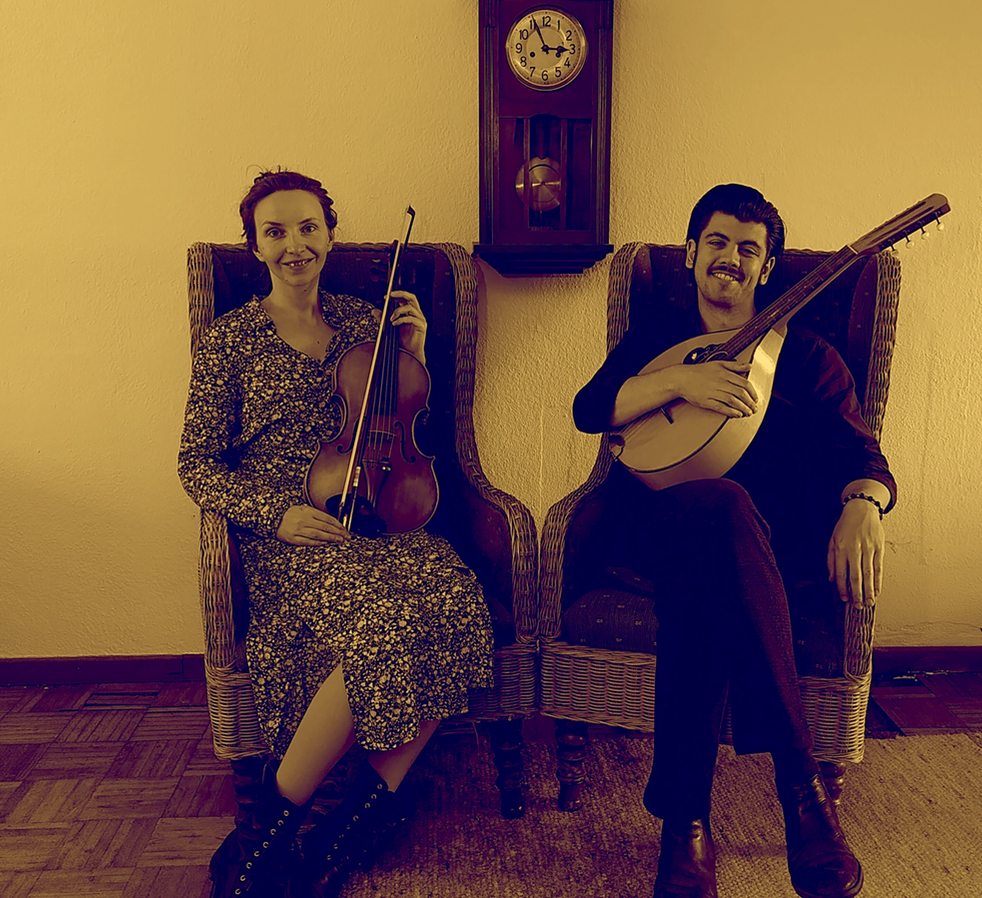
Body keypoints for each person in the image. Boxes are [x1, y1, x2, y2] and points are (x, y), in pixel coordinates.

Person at [572, 183, 894, 898]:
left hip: (770, 556)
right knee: (717, 507)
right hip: (656, 535)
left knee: (711, 577)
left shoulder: (809, 358)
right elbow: (591, 408)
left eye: (749, 249)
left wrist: (864, 505)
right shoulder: (658, 338)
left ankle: (684, 820)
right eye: (716, 241)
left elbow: (863, 458)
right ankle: (803, 792)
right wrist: (676, 383)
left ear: (767, 268)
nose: (730, 257)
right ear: (691, 253)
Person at [180, 169, 494, 898]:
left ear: (329, 235)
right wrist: (275, 515)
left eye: (308, 228)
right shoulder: (230, 341)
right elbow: (195, 463)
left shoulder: (366, 324)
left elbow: (407, 421)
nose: (294, 245)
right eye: (275, 232)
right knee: (384, 623)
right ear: (255, 247)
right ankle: (268, 832)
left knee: (458, 604)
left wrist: (415, 351)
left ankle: (342, 831)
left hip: (380, 522)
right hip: (294, 536)